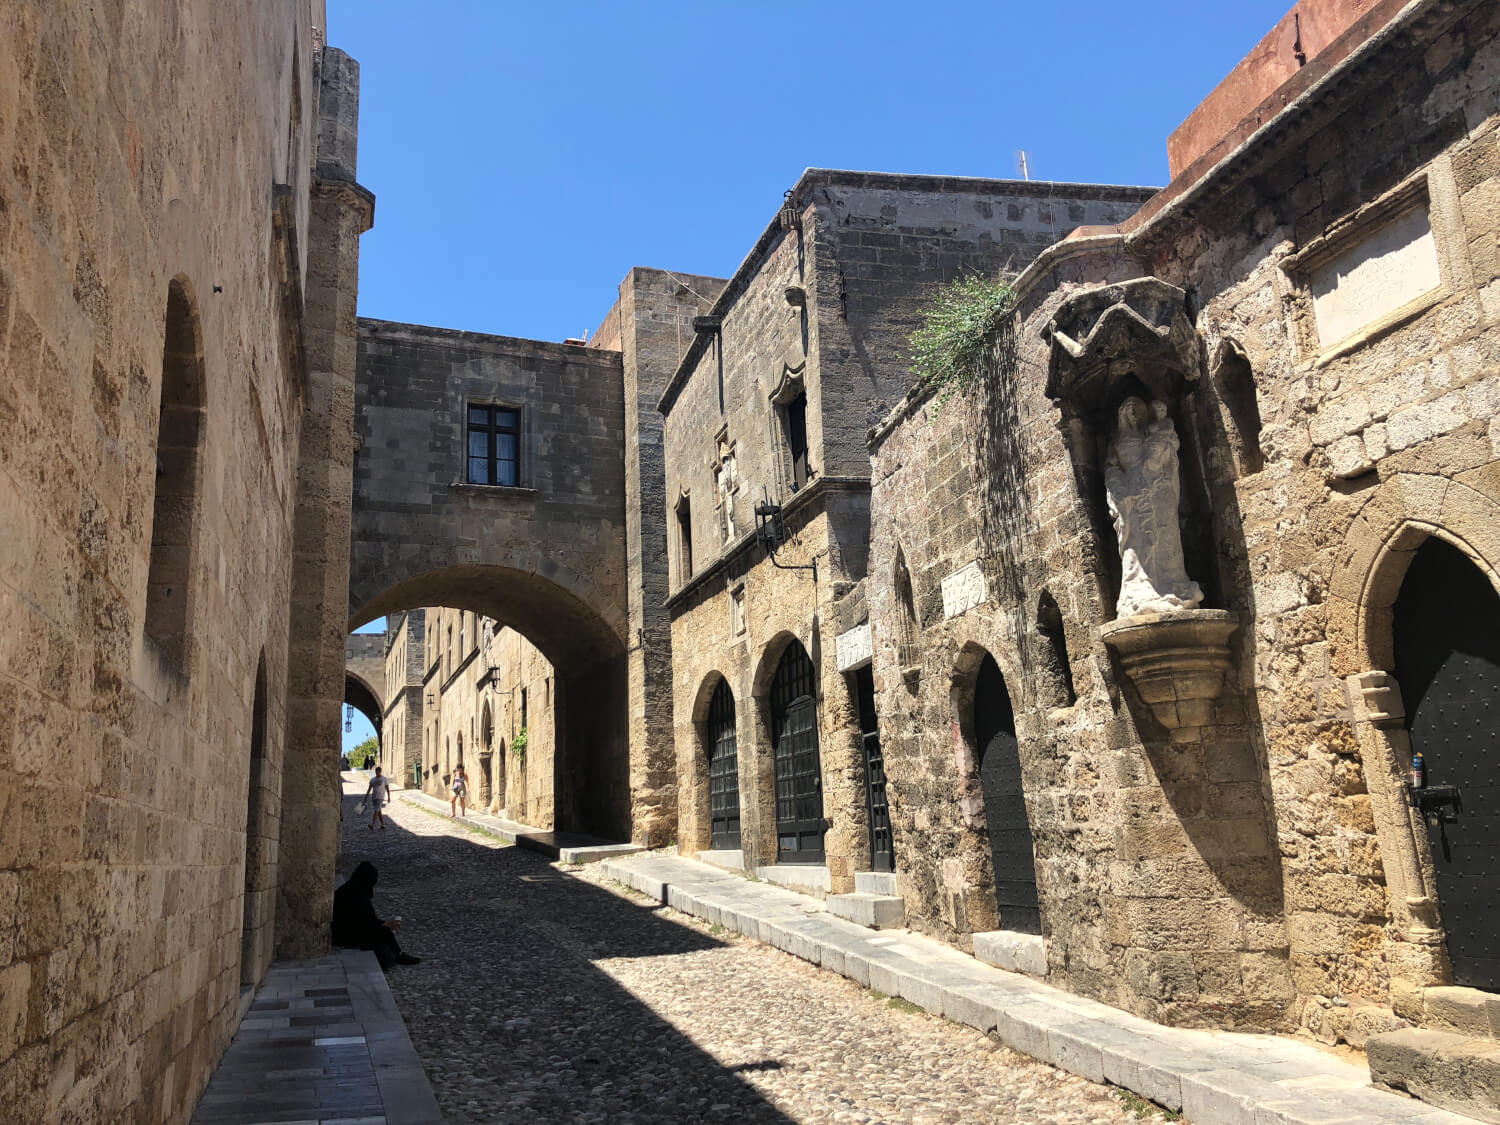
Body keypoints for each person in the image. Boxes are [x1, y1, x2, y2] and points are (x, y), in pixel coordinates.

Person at [331, 861, 420, 970]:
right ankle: (399, 955)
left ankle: (398, 954)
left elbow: (366, 919)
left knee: (383, 931)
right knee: (383, 932)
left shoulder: (352, 889)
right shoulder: (355, 895)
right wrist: (384, 925)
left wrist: (384, 923)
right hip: (344, 935)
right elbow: (363, 923)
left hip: (346, 930)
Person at [365, 765, 392, 831]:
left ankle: (372, 824)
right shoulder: (372, 779)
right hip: (374, 797)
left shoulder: (384, 779)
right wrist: (366, 796)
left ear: (380, 772)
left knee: (376, 811)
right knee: (379, 812)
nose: (376, 773)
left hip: (380, 797)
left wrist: (389, 797)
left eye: (378, 772)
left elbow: (387, 788)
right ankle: (383, 825)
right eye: (376, 772)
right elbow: (369, 788)